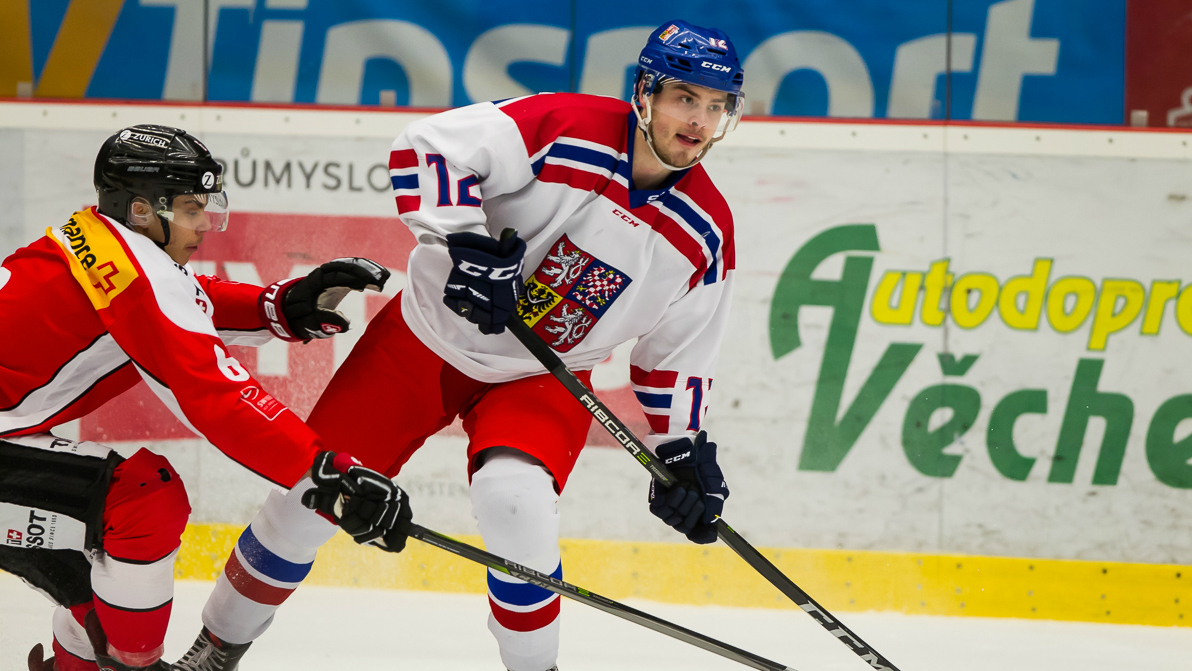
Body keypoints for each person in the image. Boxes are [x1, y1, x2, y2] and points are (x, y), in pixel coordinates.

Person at [191, 19, 741, 671]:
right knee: (306, 504)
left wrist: (679, 451)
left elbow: (678, 353)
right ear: (644, 93)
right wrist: (465, 243)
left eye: (716, 106)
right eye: (685, 97)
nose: (699, 120)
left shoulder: (708, 231)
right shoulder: (564, 125)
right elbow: (428, 146)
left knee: (517, 503)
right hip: (425, 340)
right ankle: (215, 646)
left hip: (543, 377)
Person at [0, 125, 411, 671]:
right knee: (142, 500)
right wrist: (323, 470)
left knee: (110, 590)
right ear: (142, 210)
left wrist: (278, 307)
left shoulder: (103, 242)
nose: (204, 225)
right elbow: (215, 394)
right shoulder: (134, 278)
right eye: (191, 209)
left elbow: (185, 300)